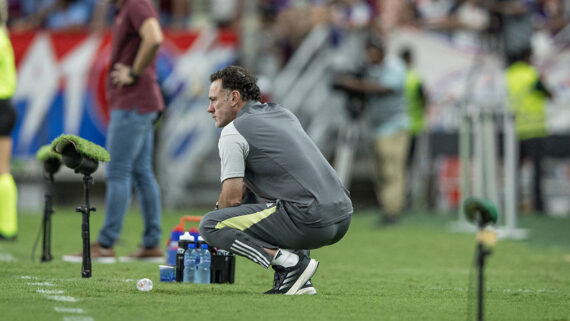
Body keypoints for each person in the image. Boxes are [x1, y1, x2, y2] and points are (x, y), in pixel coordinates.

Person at [199, 65, 353, 295]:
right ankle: (297, 281)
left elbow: (230, 200)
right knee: (277, 201)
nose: (209, 108)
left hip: (311, 220)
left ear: (234, 97)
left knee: (211, 224)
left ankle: (289, 263)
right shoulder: (282, 113)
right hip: (343, 215)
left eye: (214, 100)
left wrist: (221, 229)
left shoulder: (233, 132)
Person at [64, 0, 164, 263]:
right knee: (142, 172)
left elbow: (154, 38)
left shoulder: (134, 5)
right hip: (141, 104)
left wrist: (133, 72)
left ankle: (106, 243)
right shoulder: (128, 7)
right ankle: (152, 243)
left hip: (132, 103)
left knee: (119, 171)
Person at [335, 34, 408, 226]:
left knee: (392, 169)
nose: (370, 55)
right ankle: (387, 207)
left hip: (395, 125)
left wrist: (352, 84)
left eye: (373, 51)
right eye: (368, 51)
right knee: (380, 172)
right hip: (376, 127)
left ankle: (393, 211)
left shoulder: (395, 66)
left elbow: (385, 89)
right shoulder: (367, 68)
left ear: (382, 51)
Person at [505, 47, 553, 213]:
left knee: (514, 172)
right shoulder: (532, 74)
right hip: (535, 129)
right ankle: (538, 207)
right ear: (527, 57)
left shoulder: (509, 75)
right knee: (537, 173)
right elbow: (548, 94)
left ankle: (513, 206)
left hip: (516, 129)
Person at [0, 0, 18, 241]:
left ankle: (7, 226)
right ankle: (8, 225)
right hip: (4, 106)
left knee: (2, 169)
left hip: (0, 106)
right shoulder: (4, 34)